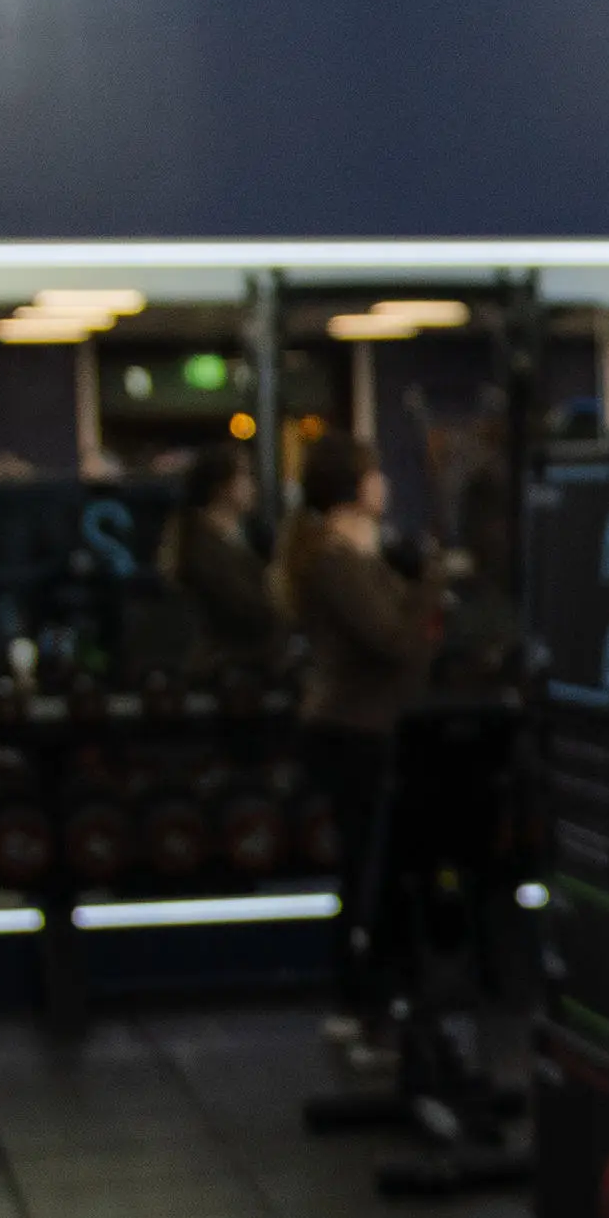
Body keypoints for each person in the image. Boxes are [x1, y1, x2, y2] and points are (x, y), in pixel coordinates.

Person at [275, 433, 458, 1064]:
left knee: (375, 872)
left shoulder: (357, 555)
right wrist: (431, 579)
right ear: (354, 486)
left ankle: (369, 1003)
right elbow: (391, 639)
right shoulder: (334, 560)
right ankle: (364, 1005)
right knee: (369, 873)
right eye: (375, 474)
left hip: (375, 728)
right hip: (353, 734)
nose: (385, 484)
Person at [156, 446, 282, 677]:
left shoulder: (245, 538)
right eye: (244, 476)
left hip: (247, 662)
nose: (252, 485)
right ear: (222, 487)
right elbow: (247, 608)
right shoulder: (201, 548)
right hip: (225, 668)